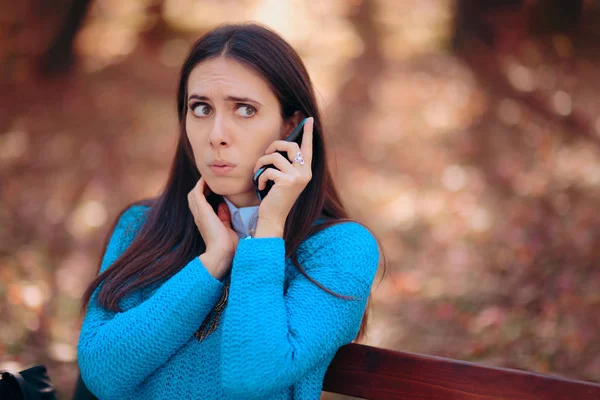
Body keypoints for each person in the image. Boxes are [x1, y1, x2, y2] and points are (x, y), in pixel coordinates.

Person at [77, 23, 383, 400]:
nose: (216, 134)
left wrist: (267, 230)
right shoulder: (142, 225)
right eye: (201, 108)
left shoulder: (340, 248)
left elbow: (255, 376)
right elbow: (101, 374)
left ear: (292, 126)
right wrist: (211, 264)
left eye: (244, 109)